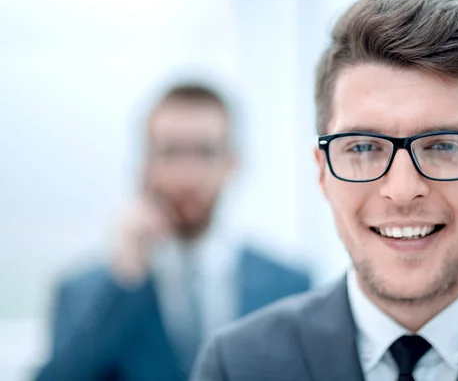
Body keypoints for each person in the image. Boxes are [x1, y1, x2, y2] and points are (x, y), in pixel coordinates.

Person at [193, 0, 458, 381]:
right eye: (364, 147)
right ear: (322, 172)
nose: (402, 190)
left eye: (443, 145)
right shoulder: (239, 365)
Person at [35, 82, 311, 381]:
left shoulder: (290, 287)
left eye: (205, 152)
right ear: (144, 166)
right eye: (170, 152)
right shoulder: (84, 293)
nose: (187, 175)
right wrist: (125, 282)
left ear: (233, 163)